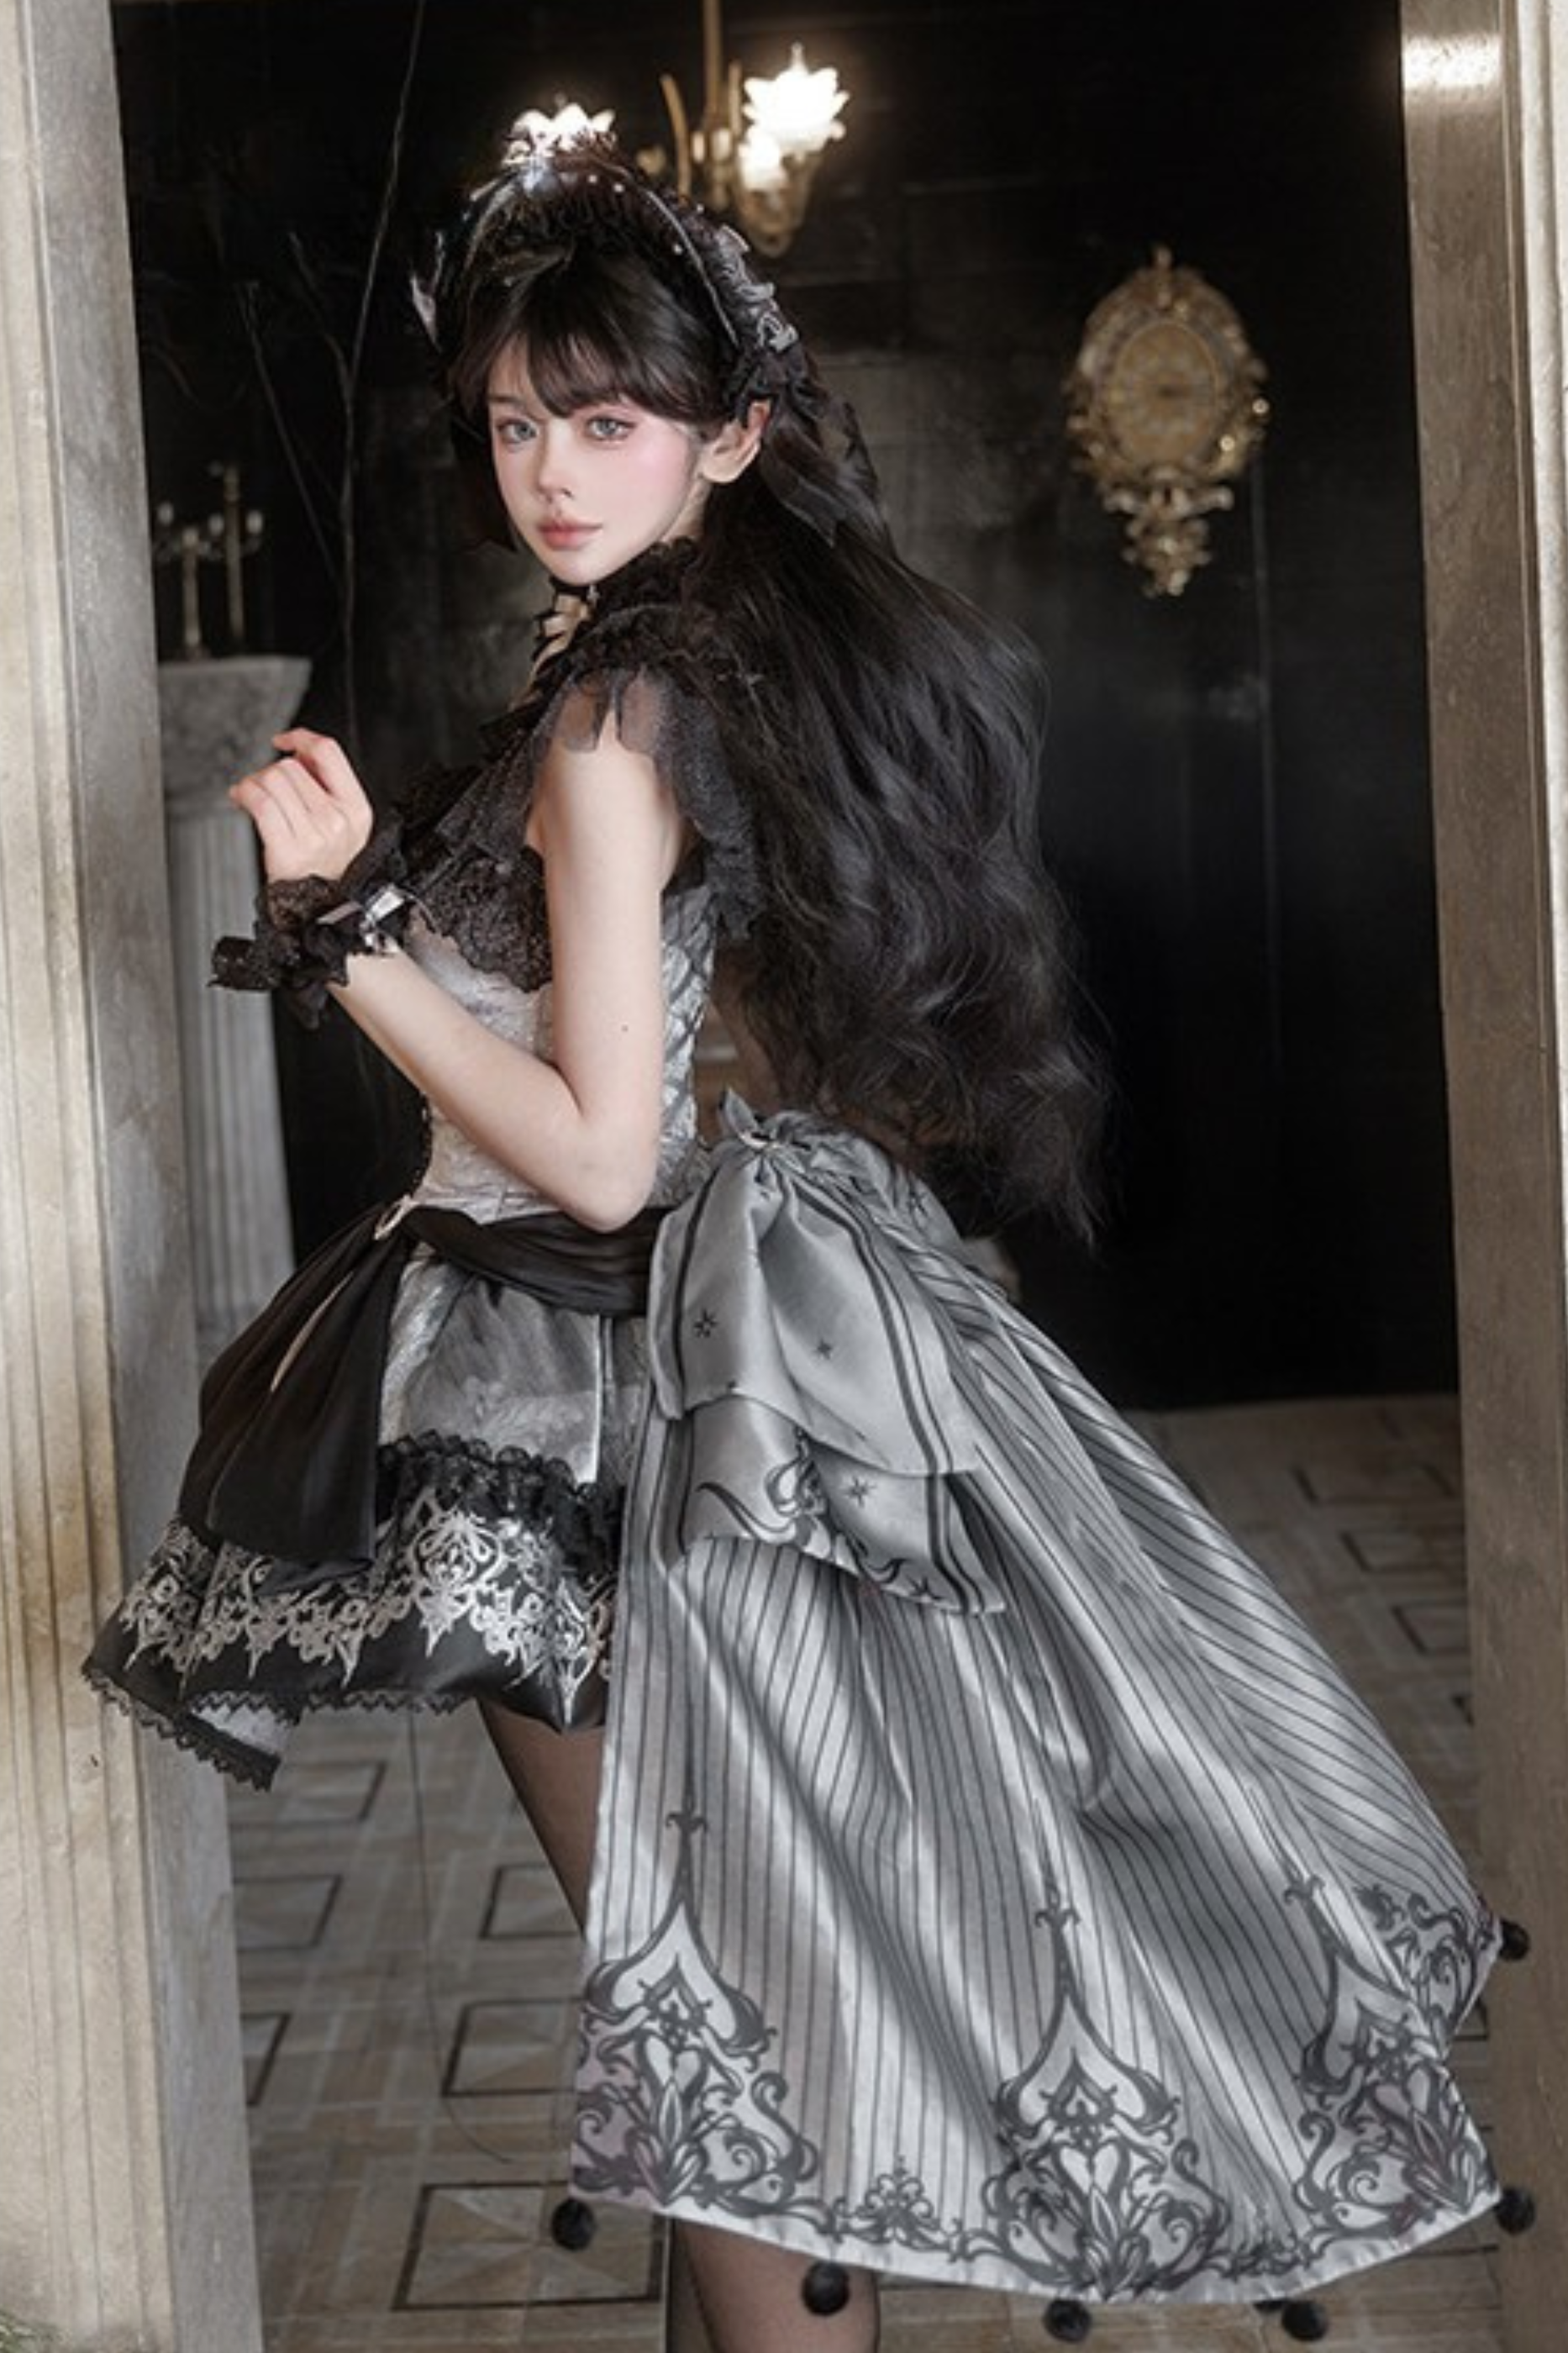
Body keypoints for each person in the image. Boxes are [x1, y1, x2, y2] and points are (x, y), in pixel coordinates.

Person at [87, 119, 1515, 2353]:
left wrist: (346, 938)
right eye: (517, 425)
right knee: (723, 2033)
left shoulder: (613, 719)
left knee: (717, 2053)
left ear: (730, 437)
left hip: (580, 1395)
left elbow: (599, 1156)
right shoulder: (658, 669)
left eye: (609, 423)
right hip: (645, 1374)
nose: (555, 472)